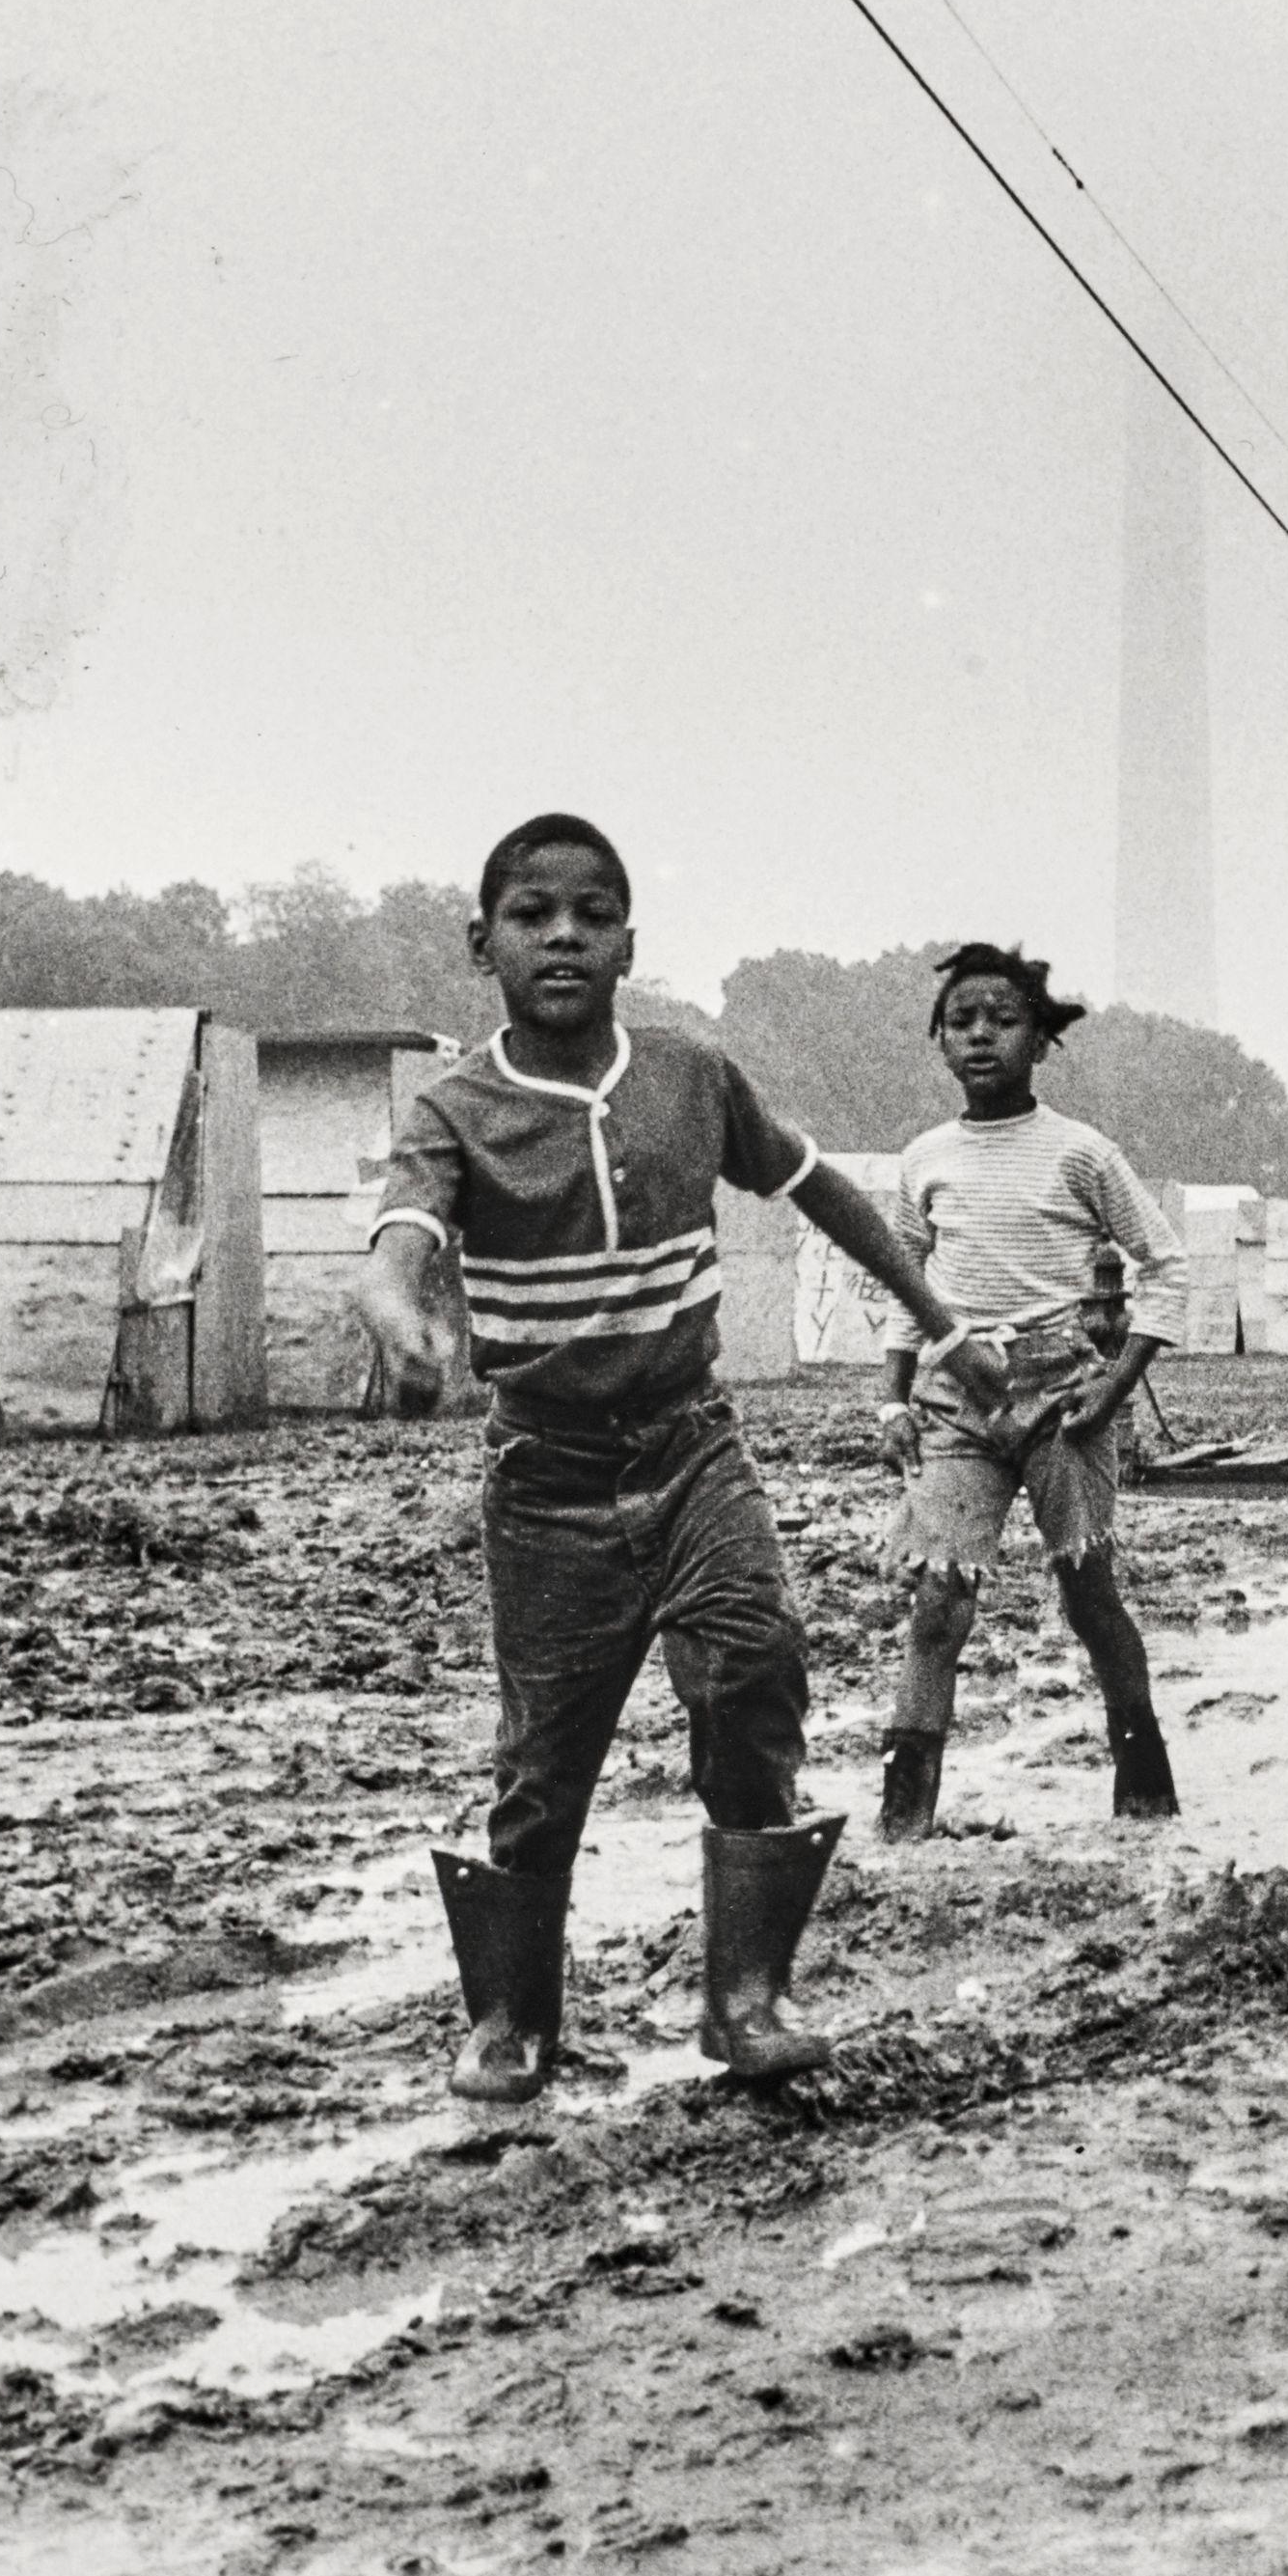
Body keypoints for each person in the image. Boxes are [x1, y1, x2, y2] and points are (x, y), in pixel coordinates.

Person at [357, 814, 1007, 2106]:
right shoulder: (456, 1109)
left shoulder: (690, 1078)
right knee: (544, 1756)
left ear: (628, 943)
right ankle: (508, 2018)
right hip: (546, 1480)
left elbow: (820, 1190)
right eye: (532, 914)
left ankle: (748, 1996)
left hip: (693, 1449)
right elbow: (400, 1236)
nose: (562, 936)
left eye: (591, 915)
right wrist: (396, 1307)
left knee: (754, 1673)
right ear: (478, 941)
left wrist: (941, 1327)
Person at [872, 944, 1188, 1839]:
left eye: (1003, 1020)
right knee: (940, 1601)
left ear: (1041, 1040)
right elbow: (908, 1288)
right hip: (954, 1398)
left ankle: (1146, 1796)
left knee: (1089, 1594)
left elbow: (1166, 1265)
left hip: (1062, 1393)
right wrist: (893, 1402)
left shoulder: (1081, 1152)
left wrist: (1119, 1384)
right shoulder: (925, 1158)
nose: (981, 1036)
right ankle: (903, 1823)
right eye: (962, 1020)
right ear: (940, 1040)